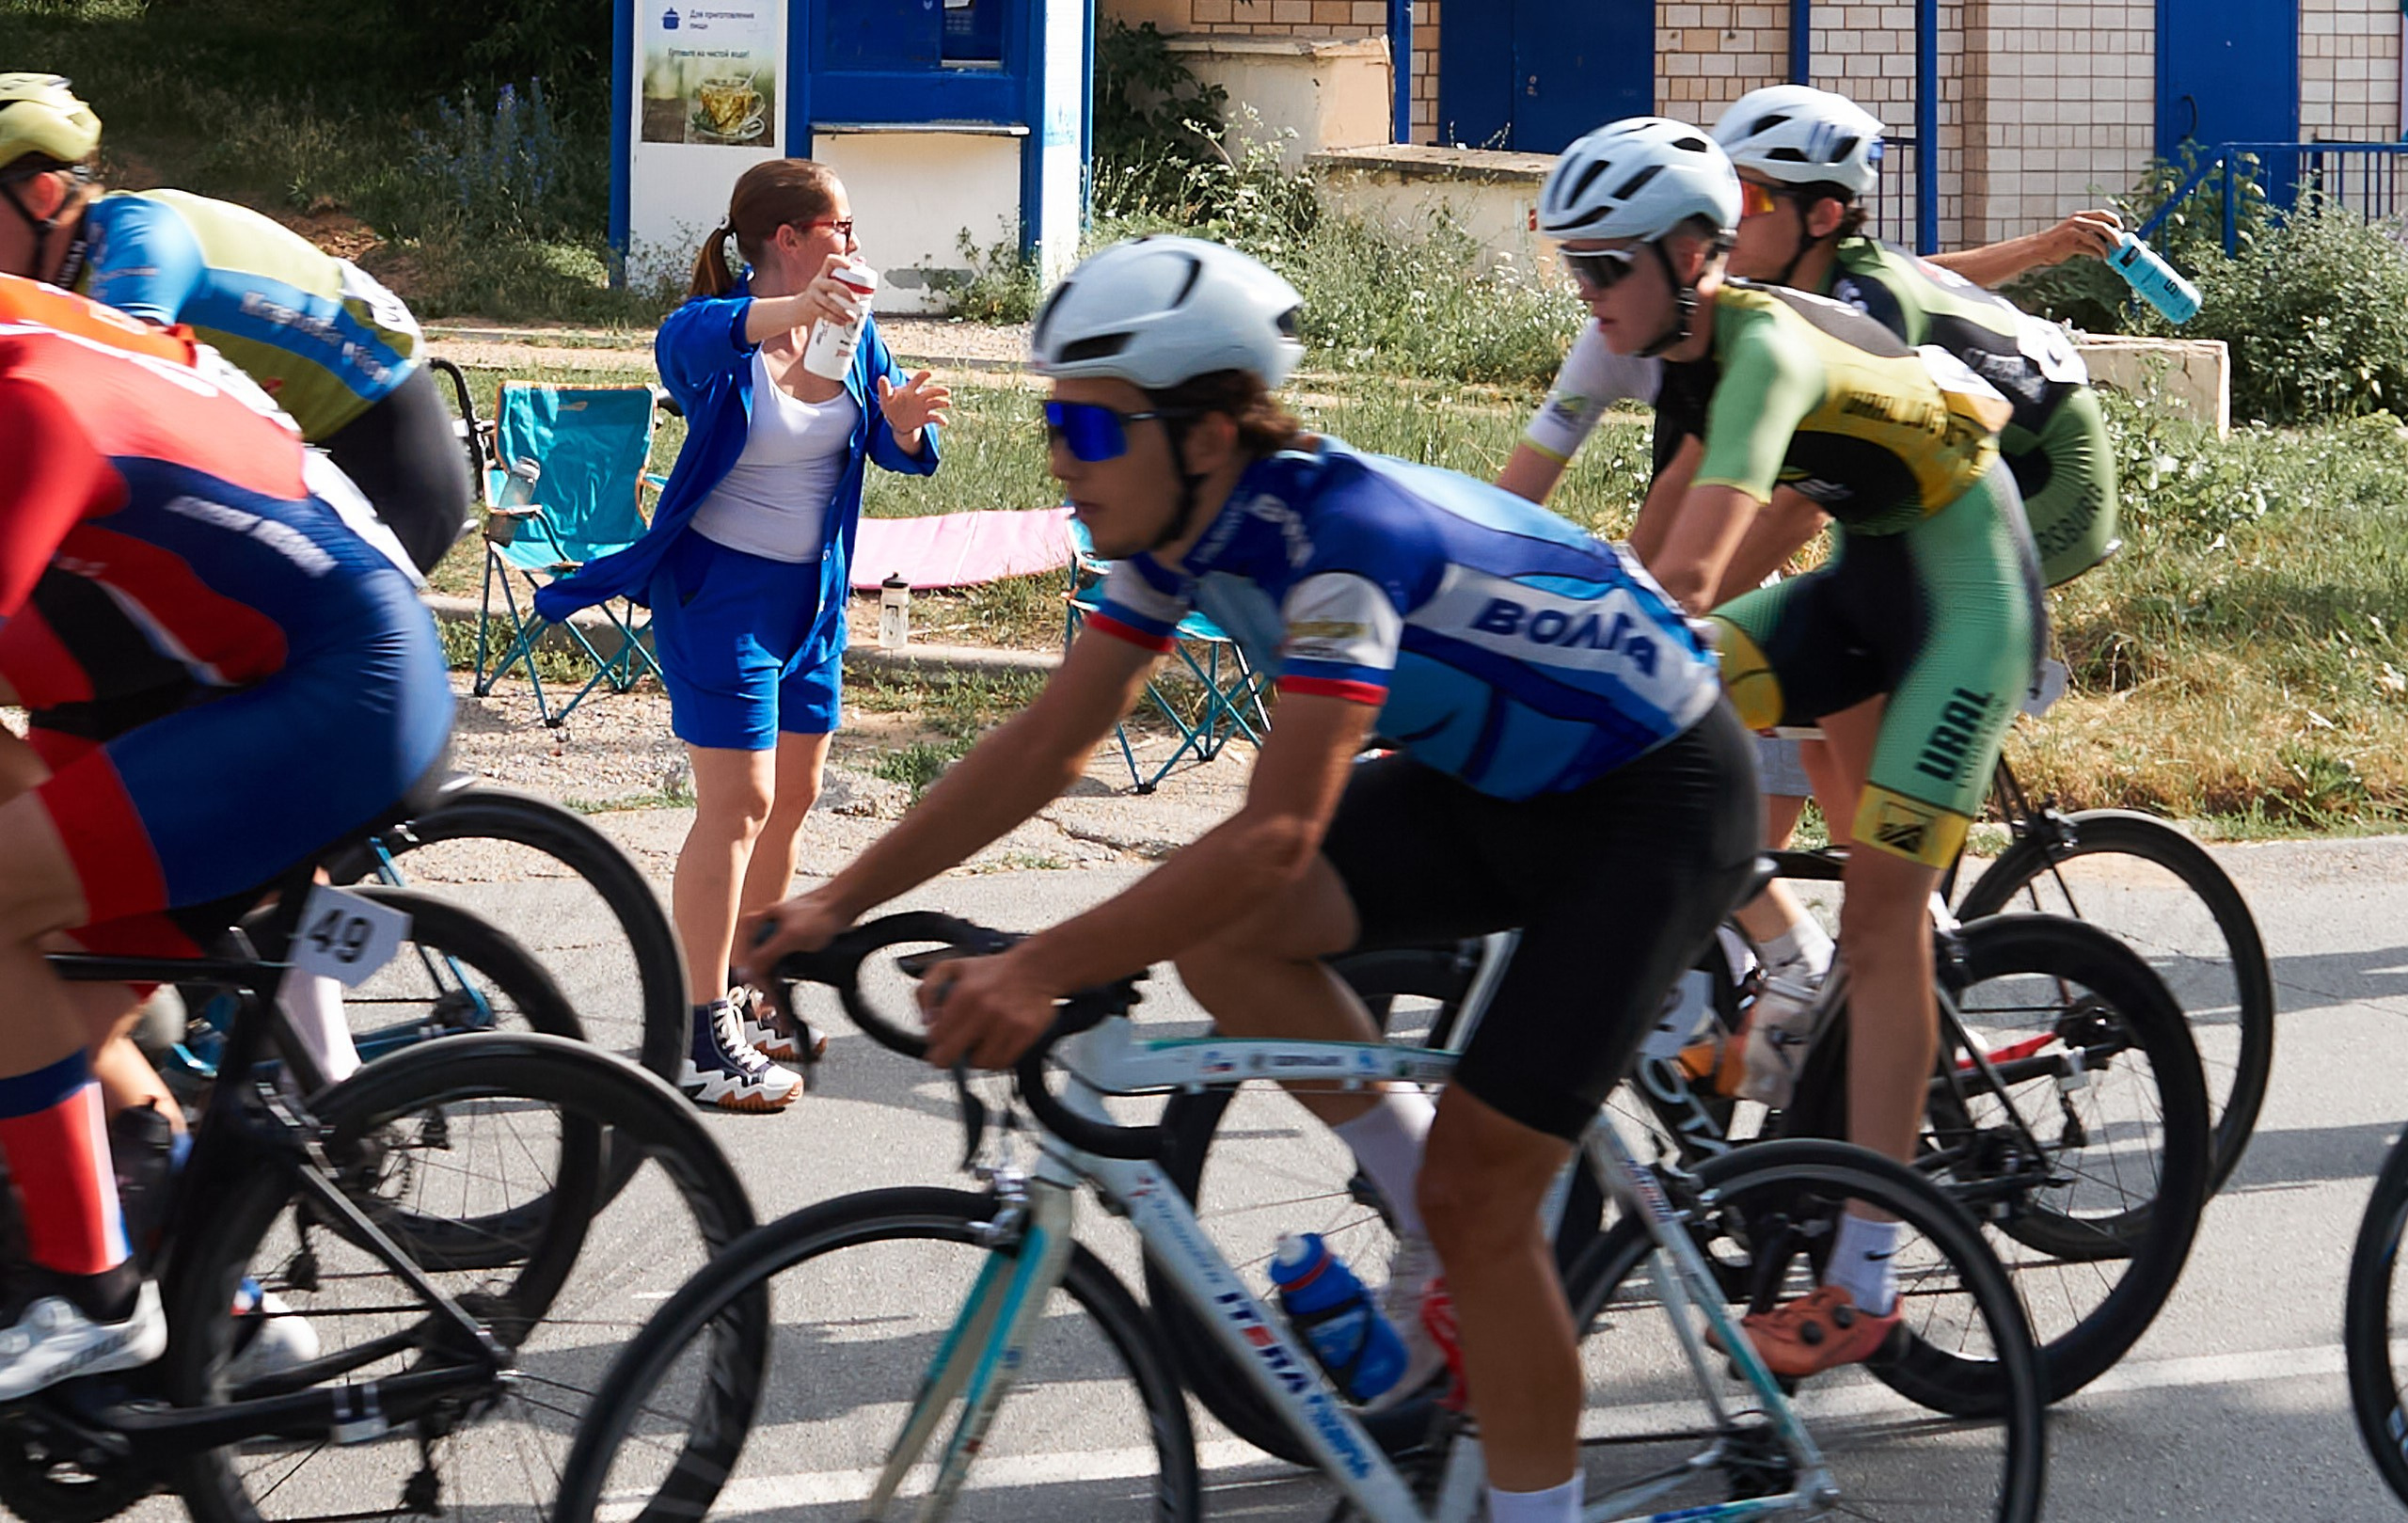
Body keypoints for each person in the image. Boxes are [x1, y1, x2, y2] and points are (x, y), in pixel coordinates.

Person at [747, 233, 1761, 1523]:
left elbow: (1278, 833)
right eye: (1055, 420)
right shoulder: (1179, 524)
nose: (1063, 455)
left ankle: (1489, 1339)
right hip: (1508, 779)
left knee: (1480, 1185)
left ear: (1213, 432)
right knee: (1226, 940)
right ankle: (1435, 1235)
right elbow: (1051, 739)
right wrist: (841, 897)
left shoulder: (1340, 542)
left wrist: (1044, 961)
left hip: (1656, 796)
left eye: (1094, 431)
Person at [1534, 117, 2043, 1374]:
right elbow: (1634, 551)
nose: (1588, 298)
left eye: (1607, 272)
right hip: (1868, 582)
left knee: (1886, 919)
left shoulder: (1759, 346)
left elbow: (1696, 569)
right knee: (1646, 737)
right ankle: (1760, 975)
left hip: (1968, 607)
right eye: (1576, 272)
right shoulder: (1684, 347)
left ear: (1692, 256)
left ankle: (1864, 1276)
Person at [0, 298, 453, 1397]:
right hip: (265, 678)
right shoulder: (36, 341)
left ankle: (94, 1294)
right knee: (53, 984)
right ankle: (226, 1308)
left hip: (339, 693)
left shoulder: (28, 402)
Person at [534, 159, 948, 1113]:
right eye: (837, 226)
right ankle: (696, 1029)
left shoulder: (853, 328)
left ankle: (755, 985)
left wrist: (906, 424)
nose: (852, 240)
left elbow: (886, 446)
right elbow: (711, 336)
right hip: (720, 592)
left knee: (793, 793)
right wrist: (803, 304)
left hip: (814, 598)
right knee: (738, 802)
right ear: (788, 237)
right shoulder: (707, 335)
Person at [0, 72, 470, 575]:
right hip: (294, 451)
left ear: (43, 195)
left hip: (385, 442)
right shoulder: (56, 279)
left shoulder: (138, 240)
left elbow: (112, 417)